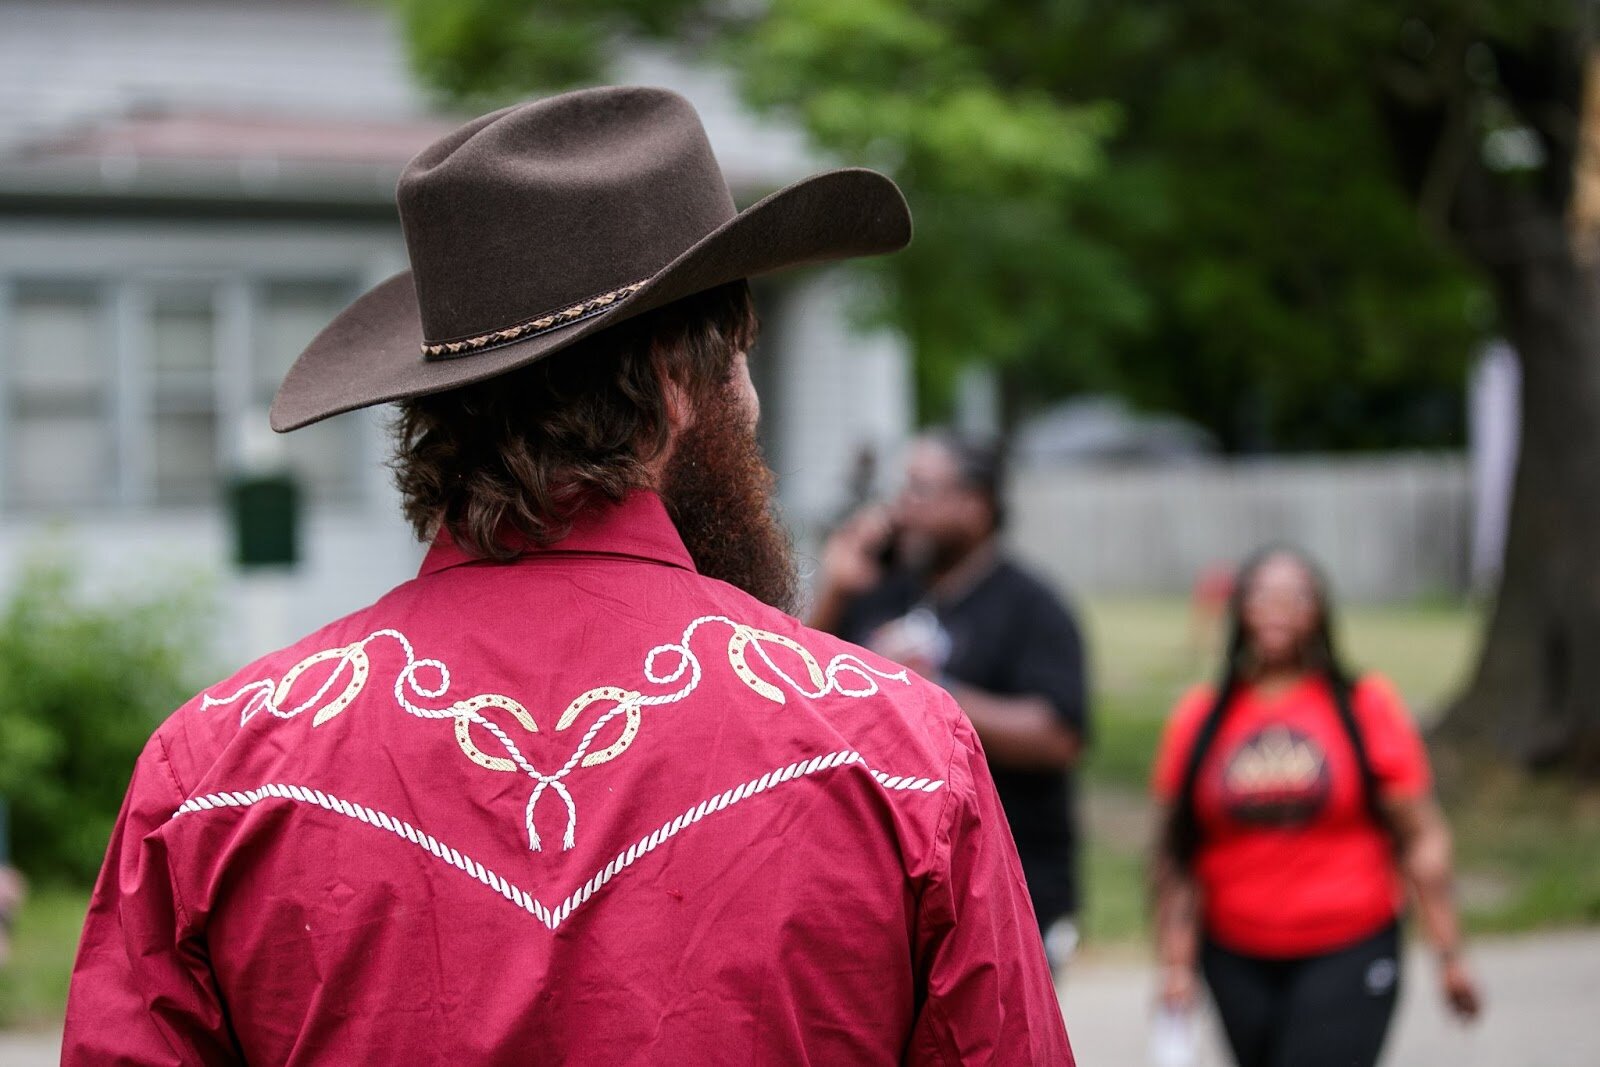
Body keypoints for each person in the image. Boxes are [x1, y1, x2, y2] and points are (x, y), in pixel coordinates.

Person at [63, 88, 1074, 1064]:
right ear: (680, 382)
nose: (754, 405)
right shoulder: (894, 753)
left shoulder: (215, 775)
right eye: (743, 357)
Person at [1150, 546, 1482, 1067]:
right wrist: (1175, 965)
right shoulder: (1199, 720)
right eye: (1262, 593)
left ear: (1319, 613)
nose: (1277, 607)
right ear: (1239, 609)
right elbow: (1176, 854)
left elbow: (1421, 837)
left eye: (1296, 595)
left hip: (1349, 943)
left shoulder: (1364, 707)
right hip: (1235, 954)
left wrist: (1449, 955)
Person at [811, 431, 1089, 969]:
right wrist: (838, 587)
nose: (900, 508)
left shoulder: (1033, 607)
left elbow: (1058, 736)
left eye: (920, 490)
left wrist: (933, 692)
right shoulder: (881, 589)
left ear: (975, 506)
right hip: (887, 887)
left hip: (1007, 886)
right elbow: (802, 687)